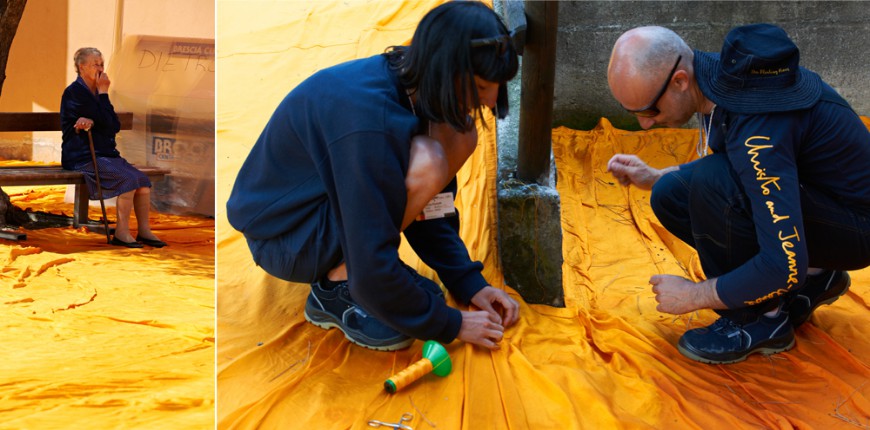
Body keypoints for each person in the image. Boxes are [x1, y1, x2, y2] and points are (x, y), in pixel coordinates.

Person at [226, 1, 520, 351]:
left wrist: (468, 282)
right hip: (286, 238)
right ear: (446, 71)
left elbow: (432, 209)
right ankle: (335, 287)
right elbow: (372, 247)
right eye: (483, 86)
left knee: (458, 134)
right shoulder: (369, 124)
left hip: (325, 209)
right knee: (428, 159)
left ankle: (357, 274)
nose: (490, 101)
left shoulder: (417, 84)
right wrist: (451, 323)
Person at [606, 24, 870, 364]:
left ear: (680, 81)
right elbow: (741, 169)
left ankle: (762, 321)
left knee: (713, 182)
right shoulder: (727, 79)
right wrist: (655, 176)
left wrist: (694, 296)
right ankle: (817, 278)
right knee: (670, 192)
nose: (645, 125)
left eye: (648, 111)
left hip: (858, 228)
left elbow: (783, 264)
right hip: (827, 202)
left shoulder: (756, 129)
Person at [60, 47, 167, 249]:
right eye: (95, 64)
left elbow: (113, 125)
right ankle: (122, 232)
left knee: (142, 182)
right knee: (128, 180)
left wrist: (102, 94)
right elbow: (97, 122)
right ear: (82, 67)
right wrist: (93, 111)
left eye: (101, 64)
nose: (100, 68)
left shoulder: (99, 92)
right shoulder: (74, 93)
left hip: (105, 154)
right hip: (82, 155)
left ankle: (144, 231)